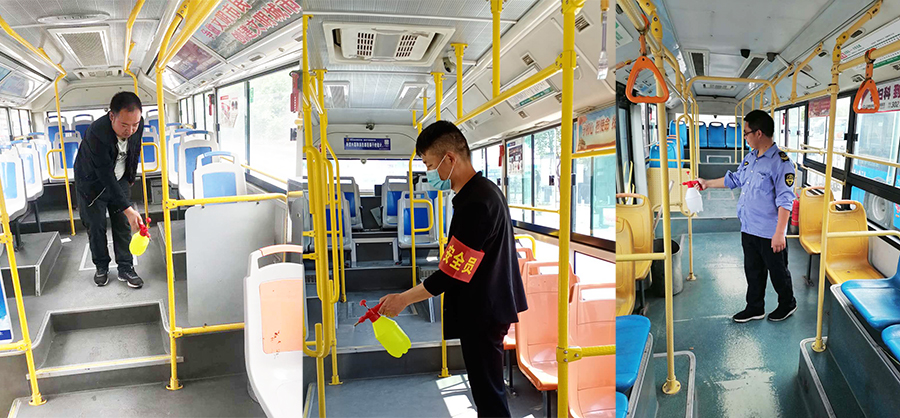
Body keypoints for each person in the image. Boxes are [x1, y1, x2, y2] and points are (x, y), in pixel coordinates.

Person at [377, 120, 527, 417]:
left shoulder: (476, 204)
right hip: (489, 305)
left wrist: (403, 299)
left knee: (489, 396)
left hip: (484, 311)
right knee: (487, 391)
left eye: (430, 165)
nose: (429, 173)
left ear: (449, 159)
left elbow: (451, 272)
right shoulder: (484, 191)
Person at [697, 110, 797, 323]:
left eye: (746, 133)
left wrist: (780, 233)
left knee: (778, 272)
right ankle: (755, 308)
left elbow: (785, 200)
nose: (744, 137)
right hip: (749, 226)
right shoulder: (751, 157)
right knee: (753, 271)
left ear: (758, 133)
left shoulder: (781, 163)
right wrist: (707, 183)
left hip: (770, 232)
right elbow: (735, 179)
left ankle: (787, 304)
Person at [74, 92, 146, 289]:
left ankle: (125, 267)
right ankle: (101, 266)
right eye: (124, 125)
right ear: (112, 116)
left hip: (119, 178)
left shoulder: (137, 124)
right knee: (96, 226)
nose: (130, 130)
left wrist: (130, 177)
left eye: (135, 125)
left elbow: (135, 150)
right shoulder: (96, 133)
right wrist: (128, 208)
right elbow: (104, 174)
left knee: (123, 224)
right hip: (92, 183)